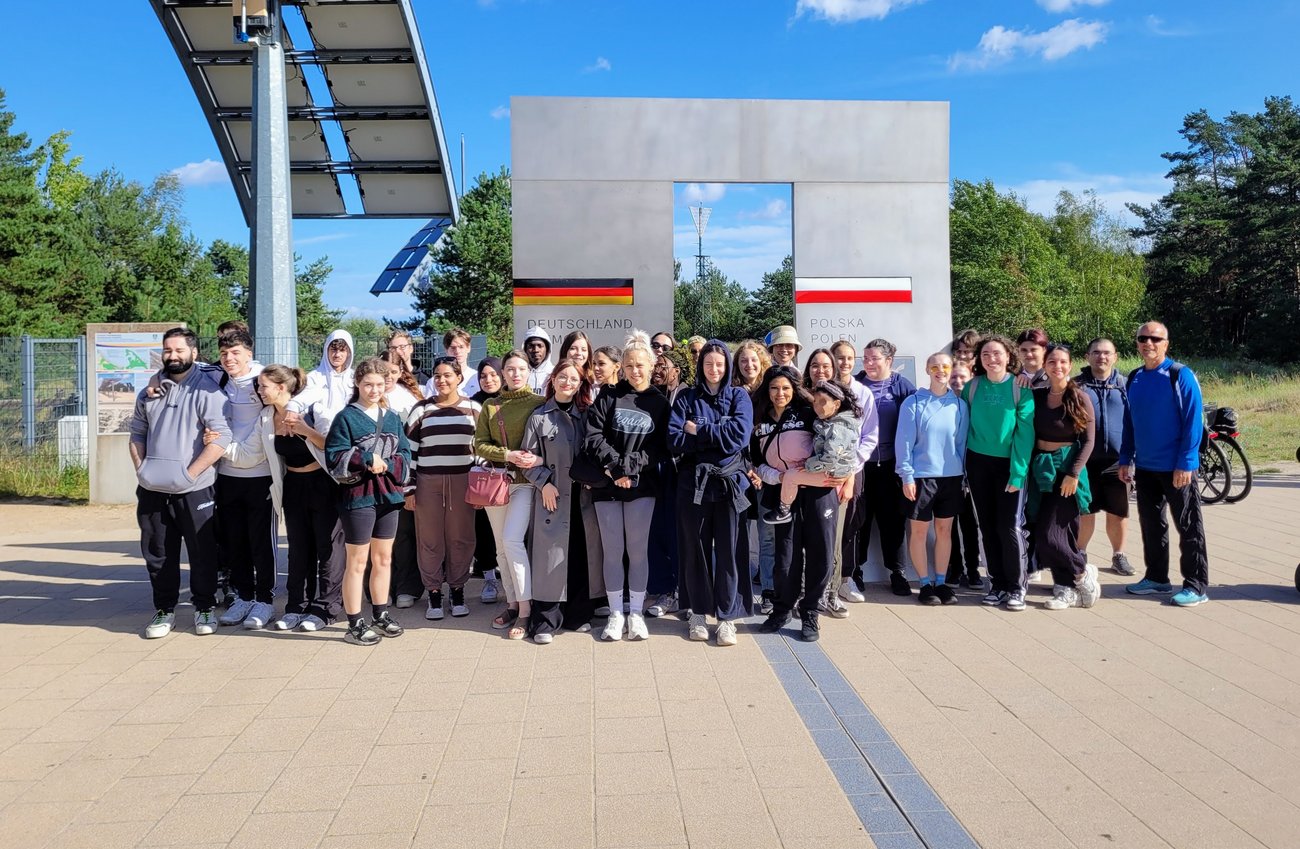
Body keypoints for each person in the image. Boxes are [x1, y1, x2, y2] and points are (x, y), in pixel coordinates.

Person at [131, 328, 231, 639]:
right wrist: (142, 470)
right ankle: (164, 610)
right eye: (167, 350)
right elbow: (136, 434)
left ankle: (203, 607)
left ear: (194, 353)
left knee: (202, 552)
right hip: (153, 490)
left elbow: (221, 438)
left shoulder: (209, 391)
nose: (173, 355)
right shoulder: (149, 392)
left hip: (195, 488)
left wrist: (189, 474)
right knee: (157, 552)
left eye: (179, 350)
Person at [582, 330, 671, 642]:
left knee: (637, 552)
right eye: (630, 365)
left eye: (640, 365)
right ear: (623, 367)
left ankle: (635, 613)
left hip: (642, 485)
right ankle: (615, 614)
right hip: (607, 485)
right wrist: (614, 466)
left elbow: (662, 446)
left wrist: (631, 467)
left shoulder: (659, 403)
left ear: (650, 365)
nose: (635, 370)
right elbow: (593, 435)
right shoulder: (609, 395)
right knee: (612, 551)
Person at [668, 340, 754, 645]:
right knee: (695, 551)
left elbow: (739, 437)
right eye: (708, 363)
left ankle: (728, 617)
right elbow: (674, 440)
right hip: (693, 487)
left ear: (727, 366)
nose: (714, 369)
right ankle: (697, 613)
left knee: (730, 552)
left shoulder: (739, 396)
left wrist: (700, 432)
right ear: (700, 365)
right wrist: (719, 432)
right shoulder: (686, 397)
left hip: (730, 487)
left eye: (719, 364)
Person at [1119, 321, 1210, 607]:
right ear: (1136, 343)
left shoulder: (1179, 375)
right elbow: (1129, 423)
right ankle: (1157, 578)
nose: (1149, 343)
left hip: (1176, 468)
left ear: (1166, 344)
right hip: (1145, 467)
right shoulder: (1134, 377)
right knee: (1151, 524)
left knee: (1189, 526)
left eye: (1155, 339)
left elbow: (1193, 421)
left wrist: (1186, 462)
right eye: (1143, 338)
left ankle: (1196, 586)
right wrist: (1126, 458)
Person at [324, 358, 412, 645]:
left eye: (379, 384)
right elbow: (334, 457)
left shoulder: (392, 417)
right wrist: (364, 459)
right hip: (358, 498)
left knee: (383, 558)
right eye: (367, 384)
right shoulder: (346, 417)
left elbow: (406, 455)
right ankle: (354, 622)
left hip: (388, 496)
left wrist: (386, 463)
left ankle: (380, 613)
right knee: (357, 562)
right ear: (357, 384)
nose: (373, 390)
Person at [751, 366, 841, 641]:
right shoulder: (760, 420)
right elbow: (756, 462)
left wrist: (845, 472)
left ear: (795, 389)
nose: (780, 393)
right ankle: (782, 609)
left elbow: (840, 440)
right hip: (782, 495)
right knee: (785, 557)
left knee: (821, 554)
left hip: (817, 493)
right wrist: (780, 476)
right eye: (775, 388)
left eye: (786, 388)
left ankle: (811, 610)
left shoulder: (808, 413)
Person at [254, 364, 341, 633]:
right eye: (258, 386)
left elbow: (334, 443)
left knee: (327, 549)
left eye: (263, 386)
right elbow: (257, 452)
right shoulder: (267, 417)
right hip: (293, 485)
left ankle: (325, 608)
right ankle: (296, 607)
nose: (259, 391)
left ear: (282, 387)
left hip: (323, 484)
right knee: (298, 549)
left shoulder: (313, 409)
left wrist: (306, 430)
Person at [520, 359, 595, 643]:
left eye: (574, 379)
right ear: (554, 379)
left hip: (581, 497)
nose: (568, 383)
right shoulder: (539, 417)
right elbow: (527, 459)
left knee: (577, 554)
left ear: (580, 385)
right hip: (552, 499)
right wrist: (544, 483)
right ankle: (545, 620)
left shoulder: (586, 417)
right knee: (549, 559)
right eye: (563, 377)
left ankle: (578, 615)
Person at [473, 350, 545, 638]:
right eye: (510, 369)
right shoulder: (491, 406)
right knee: (501, 548)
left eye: (521, 369)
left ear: (529, 372)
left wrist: (532, 459)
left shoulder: (540, 403)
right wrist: (507, 454)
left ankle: (526, 611)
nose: (515, 374)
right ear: (503, 373)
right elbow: (479, 445)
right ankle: (513, 603)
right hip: (497, 483)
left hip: (526, 483)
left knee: (513, 540)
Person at [209, 330, 278, 630]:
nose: (229, 358)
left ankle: (264, 601)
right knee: (234, 542)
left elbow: (265, 430)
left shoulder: (263, 380)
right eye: (224, 353)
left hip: (260, 477)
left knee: (262, 543)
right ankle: (243, 598)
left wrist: (225, 449)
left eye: (235, 352)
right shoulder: (216, 379)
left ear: (249, 353)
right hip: (226, 477)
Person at [961, 335, 1035, 611]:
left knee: (1010, 527)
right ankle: (998, 585)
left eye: (997, 354)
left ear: (1008, 356)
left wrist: (1017, 473)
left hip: (1009, 466)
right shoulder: (972, 387)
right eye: (985, 355)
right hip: (978, 464)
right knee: (988, 527)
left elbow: (1025, 434)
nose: (992, 359)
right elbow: (963, 429)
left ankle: (1017, 587)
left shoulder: (1019, 387)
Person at [406, 356, 481, 621]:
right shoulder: (421, 410)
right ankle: (434, 593)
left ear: (459, 377)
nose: (442, 380)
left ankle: (458, 590)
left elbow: (480, 449)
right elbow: (409, 453)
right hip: (428, 482)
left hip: (463, 482)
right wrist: (409, 489)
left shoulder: (474, 409)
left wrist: (480, 486)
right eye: (437, 375)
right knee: (430, 539)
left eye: (448, 375)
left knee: (461, 537)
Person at [1030, 345, 1101, 610]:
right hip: (1042, 470)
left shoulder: (1079, 397)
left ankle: (1082, 572)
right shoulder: (1037, 396)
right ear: (1045, 366)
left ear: (1070, 365)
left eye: (1062, 362)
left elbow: (1088, 440)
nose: (1057, 366)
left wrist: (1073, 474)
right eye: (1051, 361)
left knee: (1050, 535)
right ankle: (1066, 589)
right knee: (1053, 533)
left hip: (1068, 470)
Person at [897, 353, 968, 605]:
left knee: (944, 531)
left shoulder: (958, 405)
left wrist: (964, 476)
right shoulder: (913, 403)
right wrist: (907, 476)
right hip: (921, 478)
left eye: (945, 366)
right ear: (927, 370)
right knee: (918, 532)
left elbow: (961, 444)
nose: (941, 370)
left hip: (951, 477)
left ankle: (941, 582)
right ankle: (925, 584)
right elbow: (904, 443)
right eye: (935, 366)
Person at [853, 338, 916, 596]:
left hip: (891, 466)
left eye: (874, 358)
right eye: (865, 358)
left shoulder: (902, 387)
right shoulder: (856, 384)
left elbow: (914, 426)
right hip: (862, 465)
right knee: (860, 520)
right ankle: (855, 570)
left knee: (893, 521)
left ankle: (897, 572)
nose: (868, 363)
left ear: (889, 361)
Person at [826, 341, 878, 610]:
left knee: (849, 526)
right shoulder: (822, 389)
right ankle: (822, 582)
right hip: (823, 470)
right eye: (839, 358)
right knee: (823, 526)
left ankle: (845, 578)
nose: (844, 362)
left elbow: (870, 435)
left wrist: (853, 465)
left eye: (849, 358)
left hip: (853, 471)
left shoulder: (863, 393)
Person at [1077, 337, 1134, 575]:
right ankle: (1079, 554)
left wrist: (1131, 459)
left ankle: (1118, 555)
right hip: (1084, 461)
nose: (1102, 357)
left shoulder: (1126, 385)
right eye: (1096, 352)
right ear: (1087, 356)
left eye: (1107, 353)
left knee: (1118, 511)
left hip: (1117, 462)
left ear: (1115, 357)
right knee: (1085, 511)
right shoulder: (1076, 386)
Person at [765, 380, 859, 525]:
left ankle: (783, 510)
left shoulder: (838, 428)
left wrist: (808, 465)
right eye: (815, 401)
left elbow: (830, 458)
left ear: (837, 404)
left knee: (791, 476)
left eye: (823, 402)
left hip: (830, 473)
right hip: (828, 469)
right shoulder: (828, 421)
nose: (817, 406)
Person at [645, 344, 692, 618]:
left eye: (662, 366)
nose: (657, 371)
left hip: (679, 473)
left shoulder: (685, 395)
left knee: (678, 534)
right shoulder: (653, 394)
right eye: (655, 366)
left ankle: (681, 591)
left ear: (677, 369)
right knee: (657, 532)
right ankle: (664, 588)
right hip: (655, 472)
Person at [380, 352, 423, 608]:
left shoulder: (409, 400)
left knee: (405, 533)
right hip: (371, 478)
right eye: (383, 372)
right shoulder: (365, 397)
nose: (388, 378)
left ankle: (407, 586)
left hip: (400, 475)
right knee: (378, 536)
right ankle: (380, 586)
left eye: (393, 373)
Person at [945, 360, 985, 591]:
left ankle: (973, 569)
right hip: (950, 473)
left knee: (970, 524)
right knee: (949, 523)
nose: (958, 382)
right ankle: (955, 567)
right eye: (954, 378)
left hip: (973, 471)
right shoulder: (945, 403)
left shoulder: (976, 403)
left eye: (962, 377)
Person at [470, 356, 504, 600]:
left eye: (493, 374)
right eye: (483, 375)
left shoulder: (512, 402)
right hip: (484, 477)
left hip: (512, 475)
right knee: (483, 529)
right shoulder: (472, 405)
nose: (488, 379)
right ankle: (489, 580)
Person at [297, 329, 355, 432]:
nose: (337, 355)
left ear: (349, 353)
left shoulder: (354, 378)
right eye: (333, 350)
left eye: (342, 350)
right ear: (326, 350)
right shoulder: (314, 377)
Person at [422, 328, 479, 399]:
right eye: (453, 348)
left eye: (461, 347)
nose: (457, 351)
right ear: (446, 350)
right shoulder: (434, 382)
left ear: (468, 348)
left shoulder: (477, 378)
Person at [522, 325, 554, 394]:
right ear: (525, 349)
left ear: (547, 349)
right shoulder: (519, 374)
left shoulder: (554, 373)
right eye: (531, 346)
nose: (536, 350)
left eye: (540, 346)